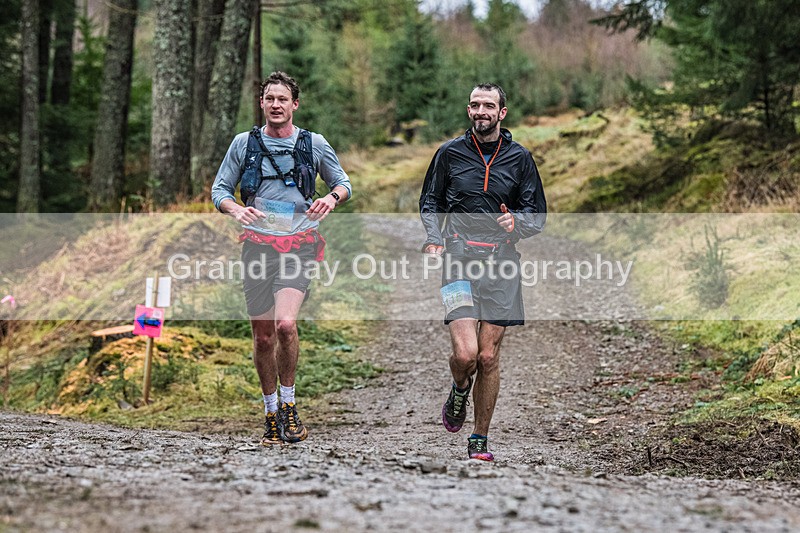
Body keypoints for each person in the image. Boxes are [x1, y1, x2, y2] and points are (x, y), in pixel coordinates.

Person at [211, 71, 351, 445]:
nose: (276, 105)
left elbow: (343, 183)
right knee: (262, 337)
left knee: (286, 324)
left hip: (299, 242)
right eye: (269, 98)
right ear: (262, 103)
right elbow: (220, 190)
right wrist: (235, 210)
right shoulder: (244, 143)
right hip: (257, 245)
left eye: (282, 99)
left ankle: (289, 404)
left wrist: (330, 198)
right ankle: (270, 411)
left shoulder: (313, 143)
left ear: (294, 105)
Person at [419, 82, 546, 461]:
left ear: (501, 113)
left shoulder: (520, 159)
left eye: (488, 106)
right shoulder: (449, 154)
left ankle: (480, 439)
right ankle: (459, 389)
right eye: (474, 105)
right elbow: (430, 201)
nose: (480, 112)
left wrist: (516, 225)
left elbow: (536, 213)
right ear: (469, 110)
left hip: (502, 263)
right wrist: (433, 237)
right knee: (466, 354)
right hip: (458, 258)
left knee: (488, 357)